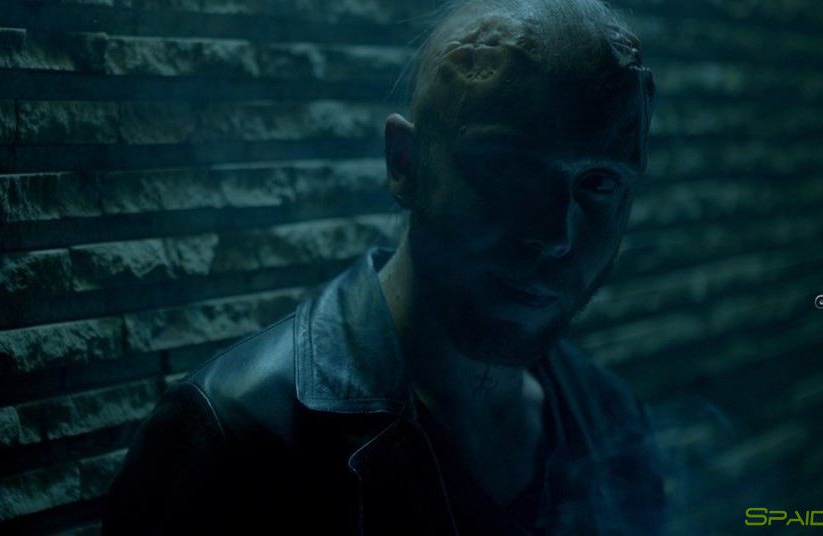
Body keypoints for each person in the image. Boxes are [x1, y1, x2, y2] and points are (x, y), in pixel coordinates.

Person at [104, 0, 665, 533]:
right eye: (509, 169)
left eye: (599, 182)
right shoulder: (233, 438)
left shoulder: (611, 421)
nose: (555, 234)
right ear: (405, 164)